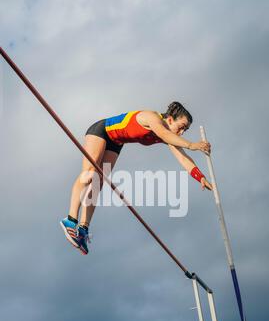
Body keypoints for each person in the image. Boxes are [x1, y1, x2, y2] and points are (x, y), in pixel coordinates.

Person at [60, 101, 212, 255]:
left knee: (97, 183)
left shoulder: (168, 135)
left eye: (185, 130)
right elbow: (165, 134)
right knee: (89, 173)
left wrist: (200, 177)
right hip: (102, 131)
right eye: (182, 127)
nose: (181, 133)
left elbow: (182, 158)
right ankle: (70, 220)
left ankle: (83, 229)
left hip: (116, 142)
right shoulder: (152, 118)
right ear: (171, 119)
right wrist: (192, 145)